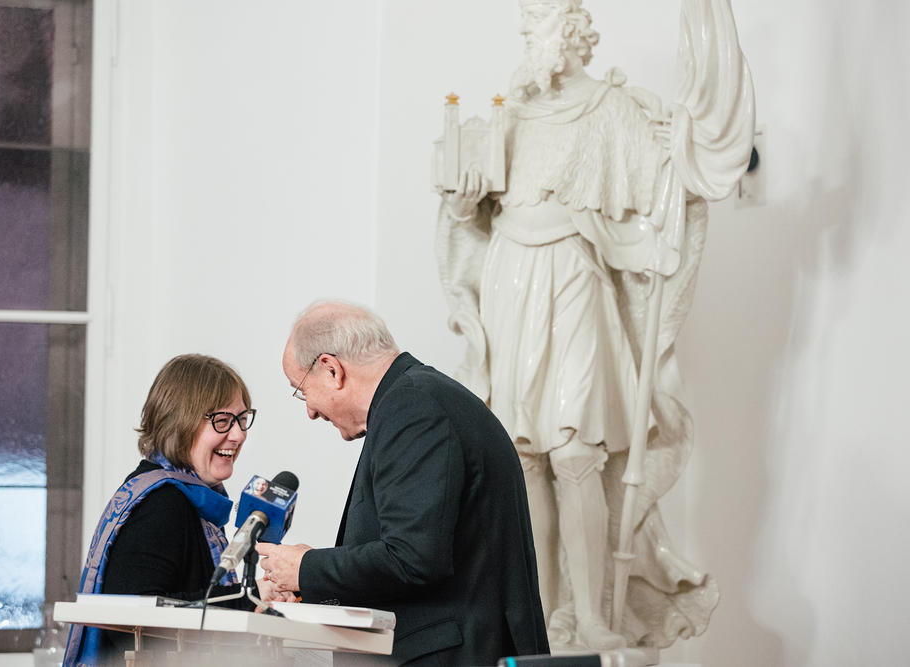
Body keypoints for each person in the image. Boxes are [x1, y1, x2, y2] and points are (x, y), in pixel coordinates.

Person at [435, 0, 751, 652]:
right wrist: (462, 201)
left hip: (575, 282)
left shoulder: (613, 109)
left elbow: (665, 187)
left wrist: (679, 146)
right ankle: (541, 616)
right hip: (510, 283)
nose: (529, 35)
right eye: (526, 26)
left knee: (577, 453)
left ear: (572, 33)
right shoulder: (510, 114)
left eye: (539, 24)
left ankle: (592, 616)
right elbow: (469, 213)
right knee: (522, 456)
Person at [258, 301, 549, 666]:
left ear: (332, 369)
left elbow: (413, 558)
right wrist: (307, 585)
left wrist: (306, 568)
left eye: (302, 389)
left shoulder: (412, 407)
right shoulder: (421, 398)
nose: (311, 411)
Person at [63, 354, 257, 667]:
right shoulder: (162, 503)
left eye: (242, 419)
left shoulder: (190, 500)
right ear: (181, 422)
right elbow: (136, 621)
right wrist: (247, 599)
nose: (239, 435)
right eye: (223, 421)